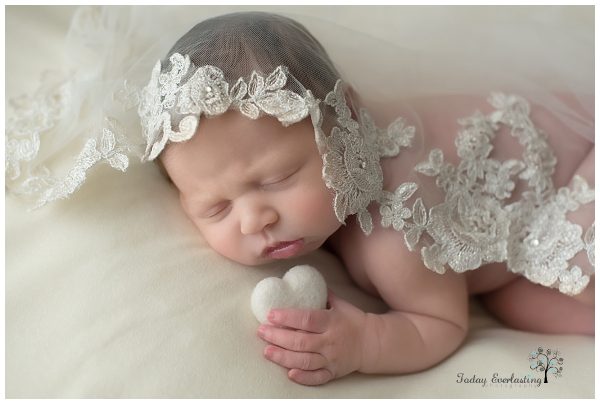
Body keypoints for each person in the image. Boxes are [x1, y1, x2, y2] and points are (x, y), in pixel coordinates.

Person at [6, 8, 594, 387]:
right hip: (529, 194)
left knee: (564, 281)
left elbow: (442, 320)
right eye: (215, 207)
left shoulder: (393, 233)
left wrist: (366, 341)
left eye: (277, 178)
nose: (256, 217)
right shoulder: (305, 171)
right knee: (527, 303)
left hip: (577, 171)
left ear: (348, 126)